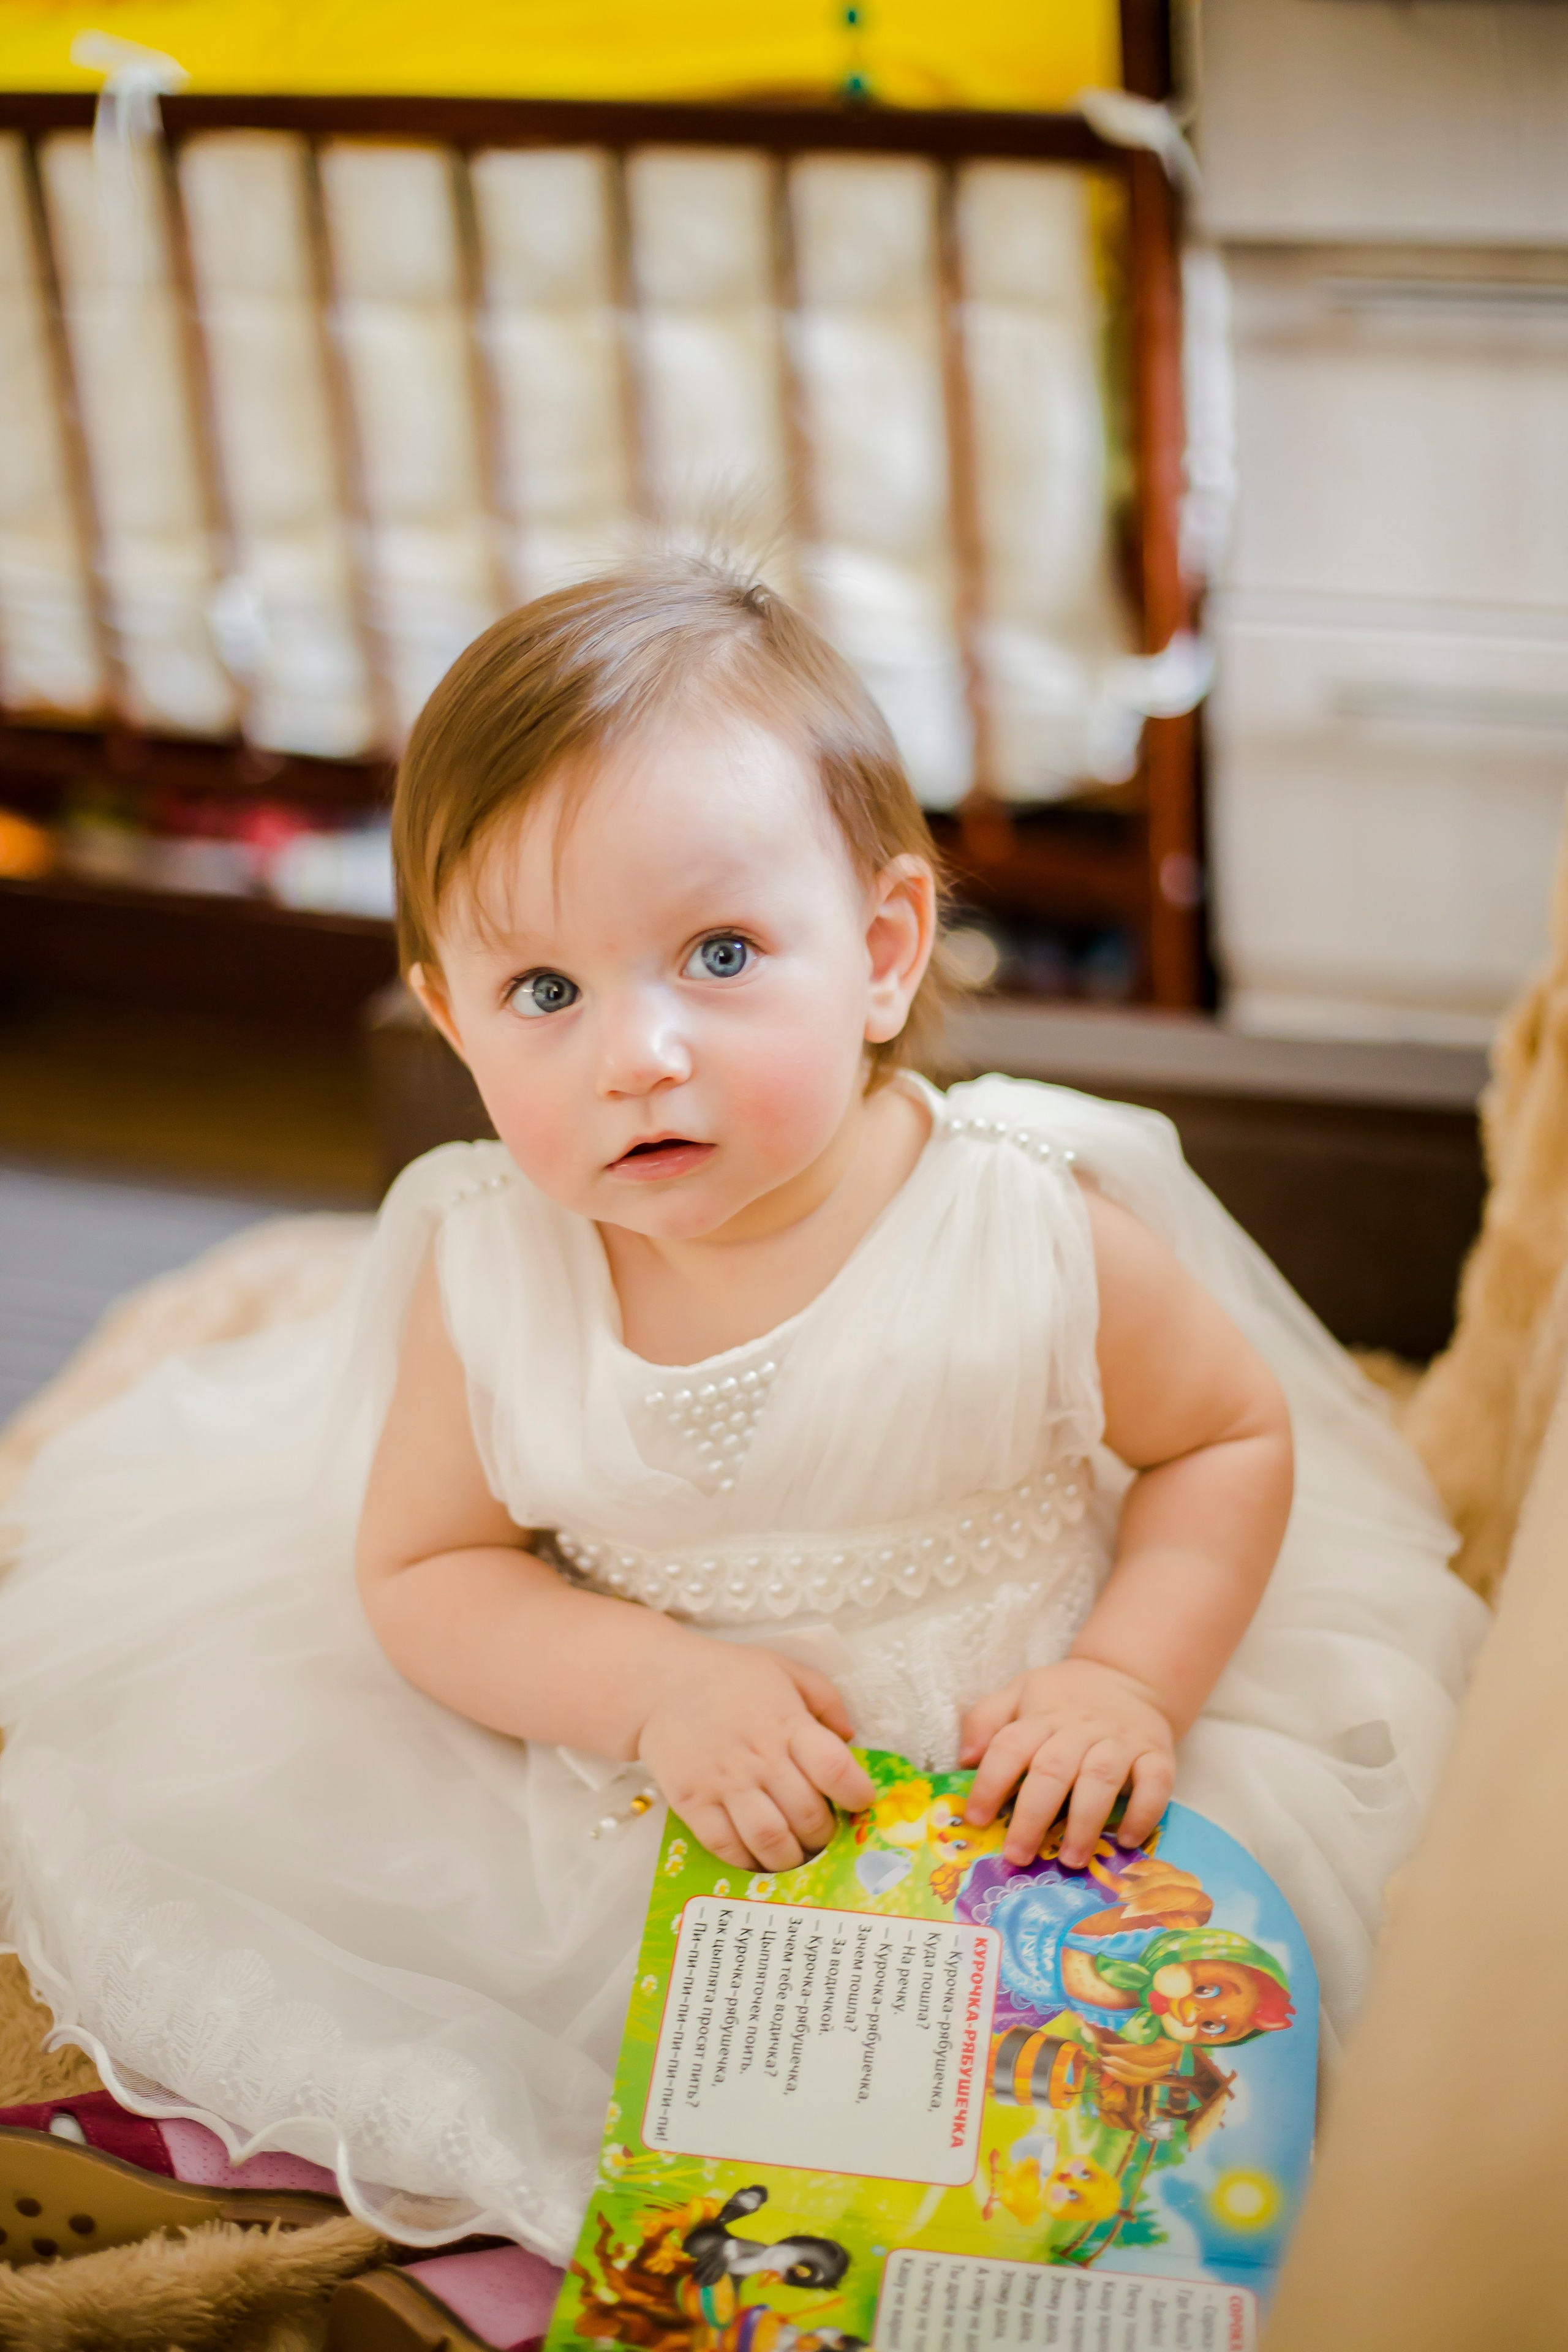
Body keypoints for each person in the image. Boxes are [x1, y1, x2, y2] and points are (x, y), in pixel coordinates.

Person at [0, 555, 1487, 2267]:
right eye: (543, 992)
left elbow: (1223, 1442)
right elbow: (428, 1568)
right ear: (452, 1020)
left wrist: (1125, 1679)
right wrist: (648, 1687)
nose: (635, 1052)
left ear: (879, 952)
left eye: (718, 953)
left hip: (1019, 1744)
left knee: (1152, 2078)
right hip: (660, 1764)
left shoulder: (1026, 1231)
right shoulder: (489, 1274)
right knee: (458, 2009)